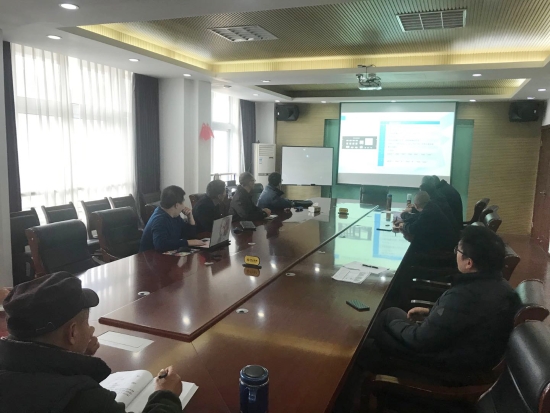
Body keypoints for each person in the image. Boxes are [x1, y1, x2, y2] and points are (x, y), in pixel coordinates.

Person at [335, 227, 521, 412]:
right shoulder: (501, 288)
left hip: (445, 369)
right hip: (462, 355)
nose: (455, 253)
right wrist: (433, 313)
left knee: (367, 344)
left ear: (469, 263)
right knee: (388, 317)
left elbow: (419, 340)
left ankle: (342, 401)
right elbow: (465, 319)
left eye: (458, 250)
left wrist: (392, 323)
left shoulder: (465, 296)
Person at [0, 272, 184, 412]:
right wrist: (166, 395)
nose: (91, 330)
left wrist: (74, 358)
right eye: (87, 323)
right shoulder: (85, 398)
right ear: (72, 333)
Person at [140, 185, 205, 252]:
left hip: (165, 255)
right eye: (183, 202)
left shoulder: (175, 216)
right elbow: (160, 244)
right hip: (149, 256)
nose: (184, 206)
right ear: (177, 205)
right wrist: (187, 242)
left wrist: (190, 217)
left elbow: (189, 236)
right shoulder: (159, 219)